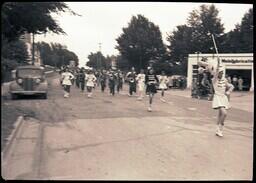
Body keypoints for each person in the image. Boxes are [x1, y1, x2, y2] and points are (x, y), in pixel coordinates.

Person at [198, 58, 234, 137]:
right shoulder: (214, 80)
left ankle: (218, 129)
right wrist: (218, 64)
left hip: (223, 97)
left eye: (222, 72)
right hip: (218, 97)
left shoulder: (224, 80)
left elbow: (231, 86)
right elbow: (217, 71)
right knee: (224, 113)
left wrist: (229, 91)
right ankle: (220, 129)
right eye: (220, 72)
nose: (221, 74)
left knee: (220, 114)